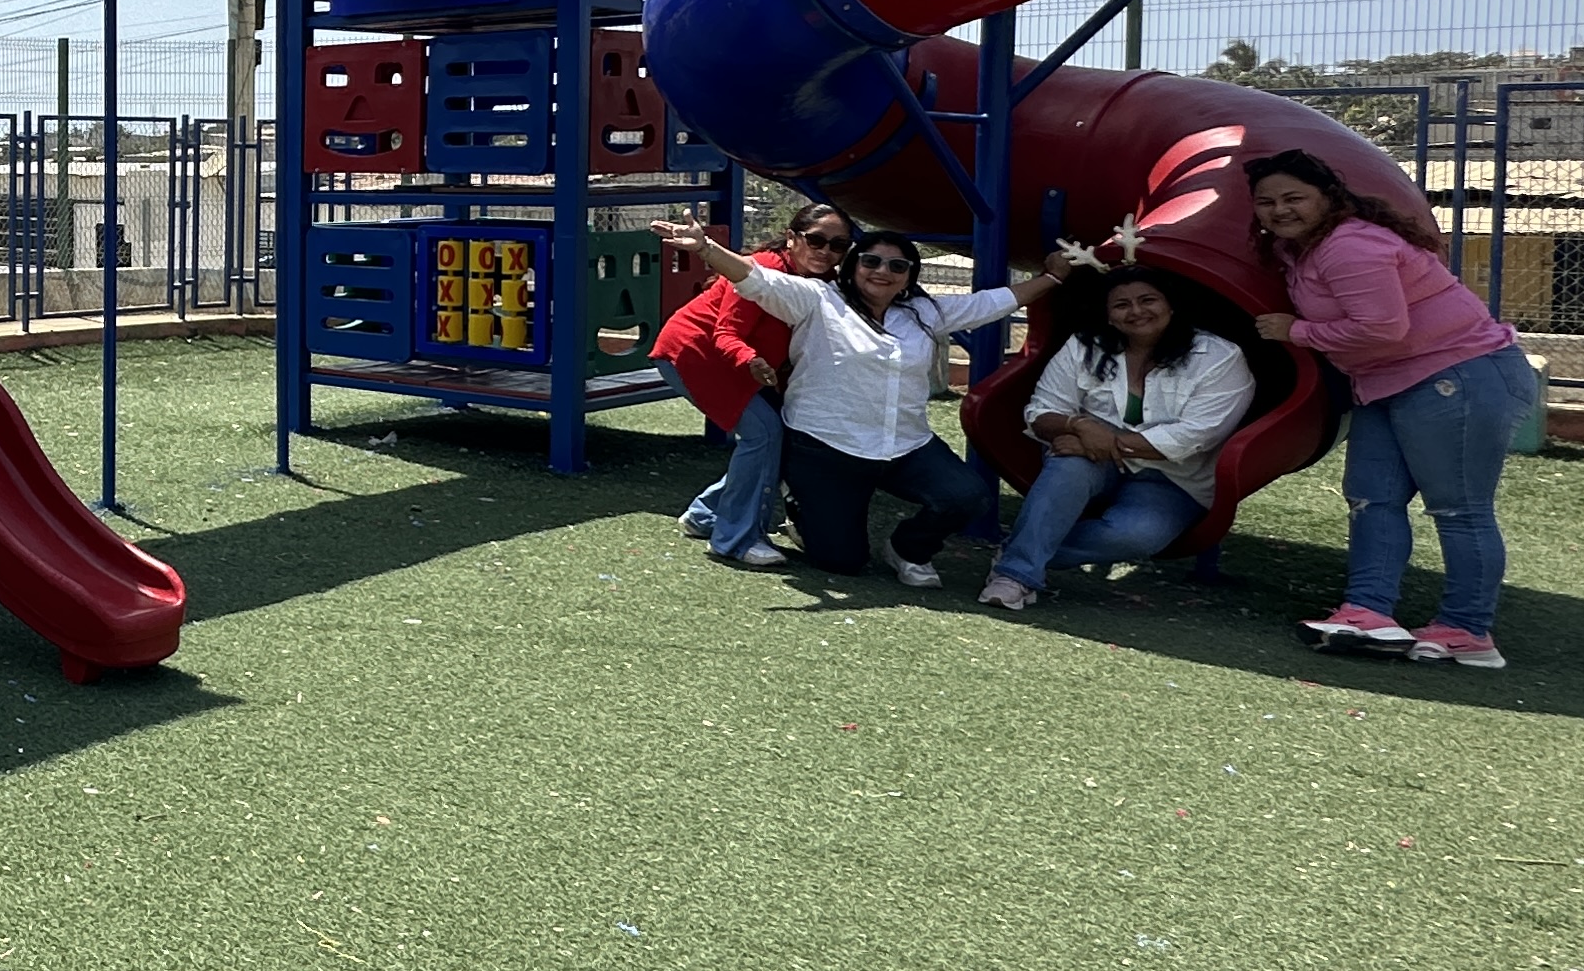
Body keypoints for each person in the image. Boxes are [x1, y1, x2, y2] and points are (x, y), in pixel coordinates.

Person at [655, 221, 1072, 585]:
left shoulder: (924, 312)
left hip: (904, 446)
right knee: (842, 562)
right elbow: (757, 280)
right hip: (827, 448)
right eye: (871, 261)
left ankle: (907, 549)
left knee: (969, 496)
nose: (882, 271)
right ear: (853, 266)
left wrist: (1052, 278)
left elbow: (990, 303)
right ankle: (799, 502)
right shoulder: (818, 299)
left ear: (908, 277)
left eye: (897, 266)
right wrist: (706, 248)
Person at [1246, 146, 1532, 669]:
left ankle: (1468, 629)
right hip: (1385, 382)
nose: (1280, 210)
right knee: (1371, 498)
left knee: (1458, 509)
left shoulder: (1348, 245)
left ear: (1327, 197)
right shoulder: (1302, 249)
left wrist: (1298, 331)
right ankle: (1368, 612)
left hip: (1456, 374)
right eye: (1266, 202)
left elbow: (1382, 328)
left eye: (1293, 197)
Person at [977, 264, 1256, 612]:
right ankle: (1015, 576)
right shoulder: (1084, 346)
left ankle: (1019, 551)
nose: (1136, 311)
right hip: (1090, 459)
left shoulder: (1218, 357)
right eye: (1122, 305)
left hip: (1173, 477)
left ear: (1171, 305)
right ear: (1108, 315)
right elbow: (1041, 412)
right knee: (1067, 468)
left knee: (1138, 534)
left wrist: (1096, 441)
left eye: (1148, 300)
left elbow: (1194, 436)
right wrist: (1079, 426)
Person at [652, 202, 847, 570]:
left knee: (779, 434)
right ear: (792, 238)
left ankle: (706, 514)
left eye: (838, 245)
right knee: (765, 433)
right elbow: (726, 333)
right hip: (696, 355)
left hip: (747, 366)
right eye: (816, 240)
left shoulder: (829, 283)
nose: (825, 252)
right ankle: (736, 540)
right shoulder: (763, 268)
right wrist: (751, 361)